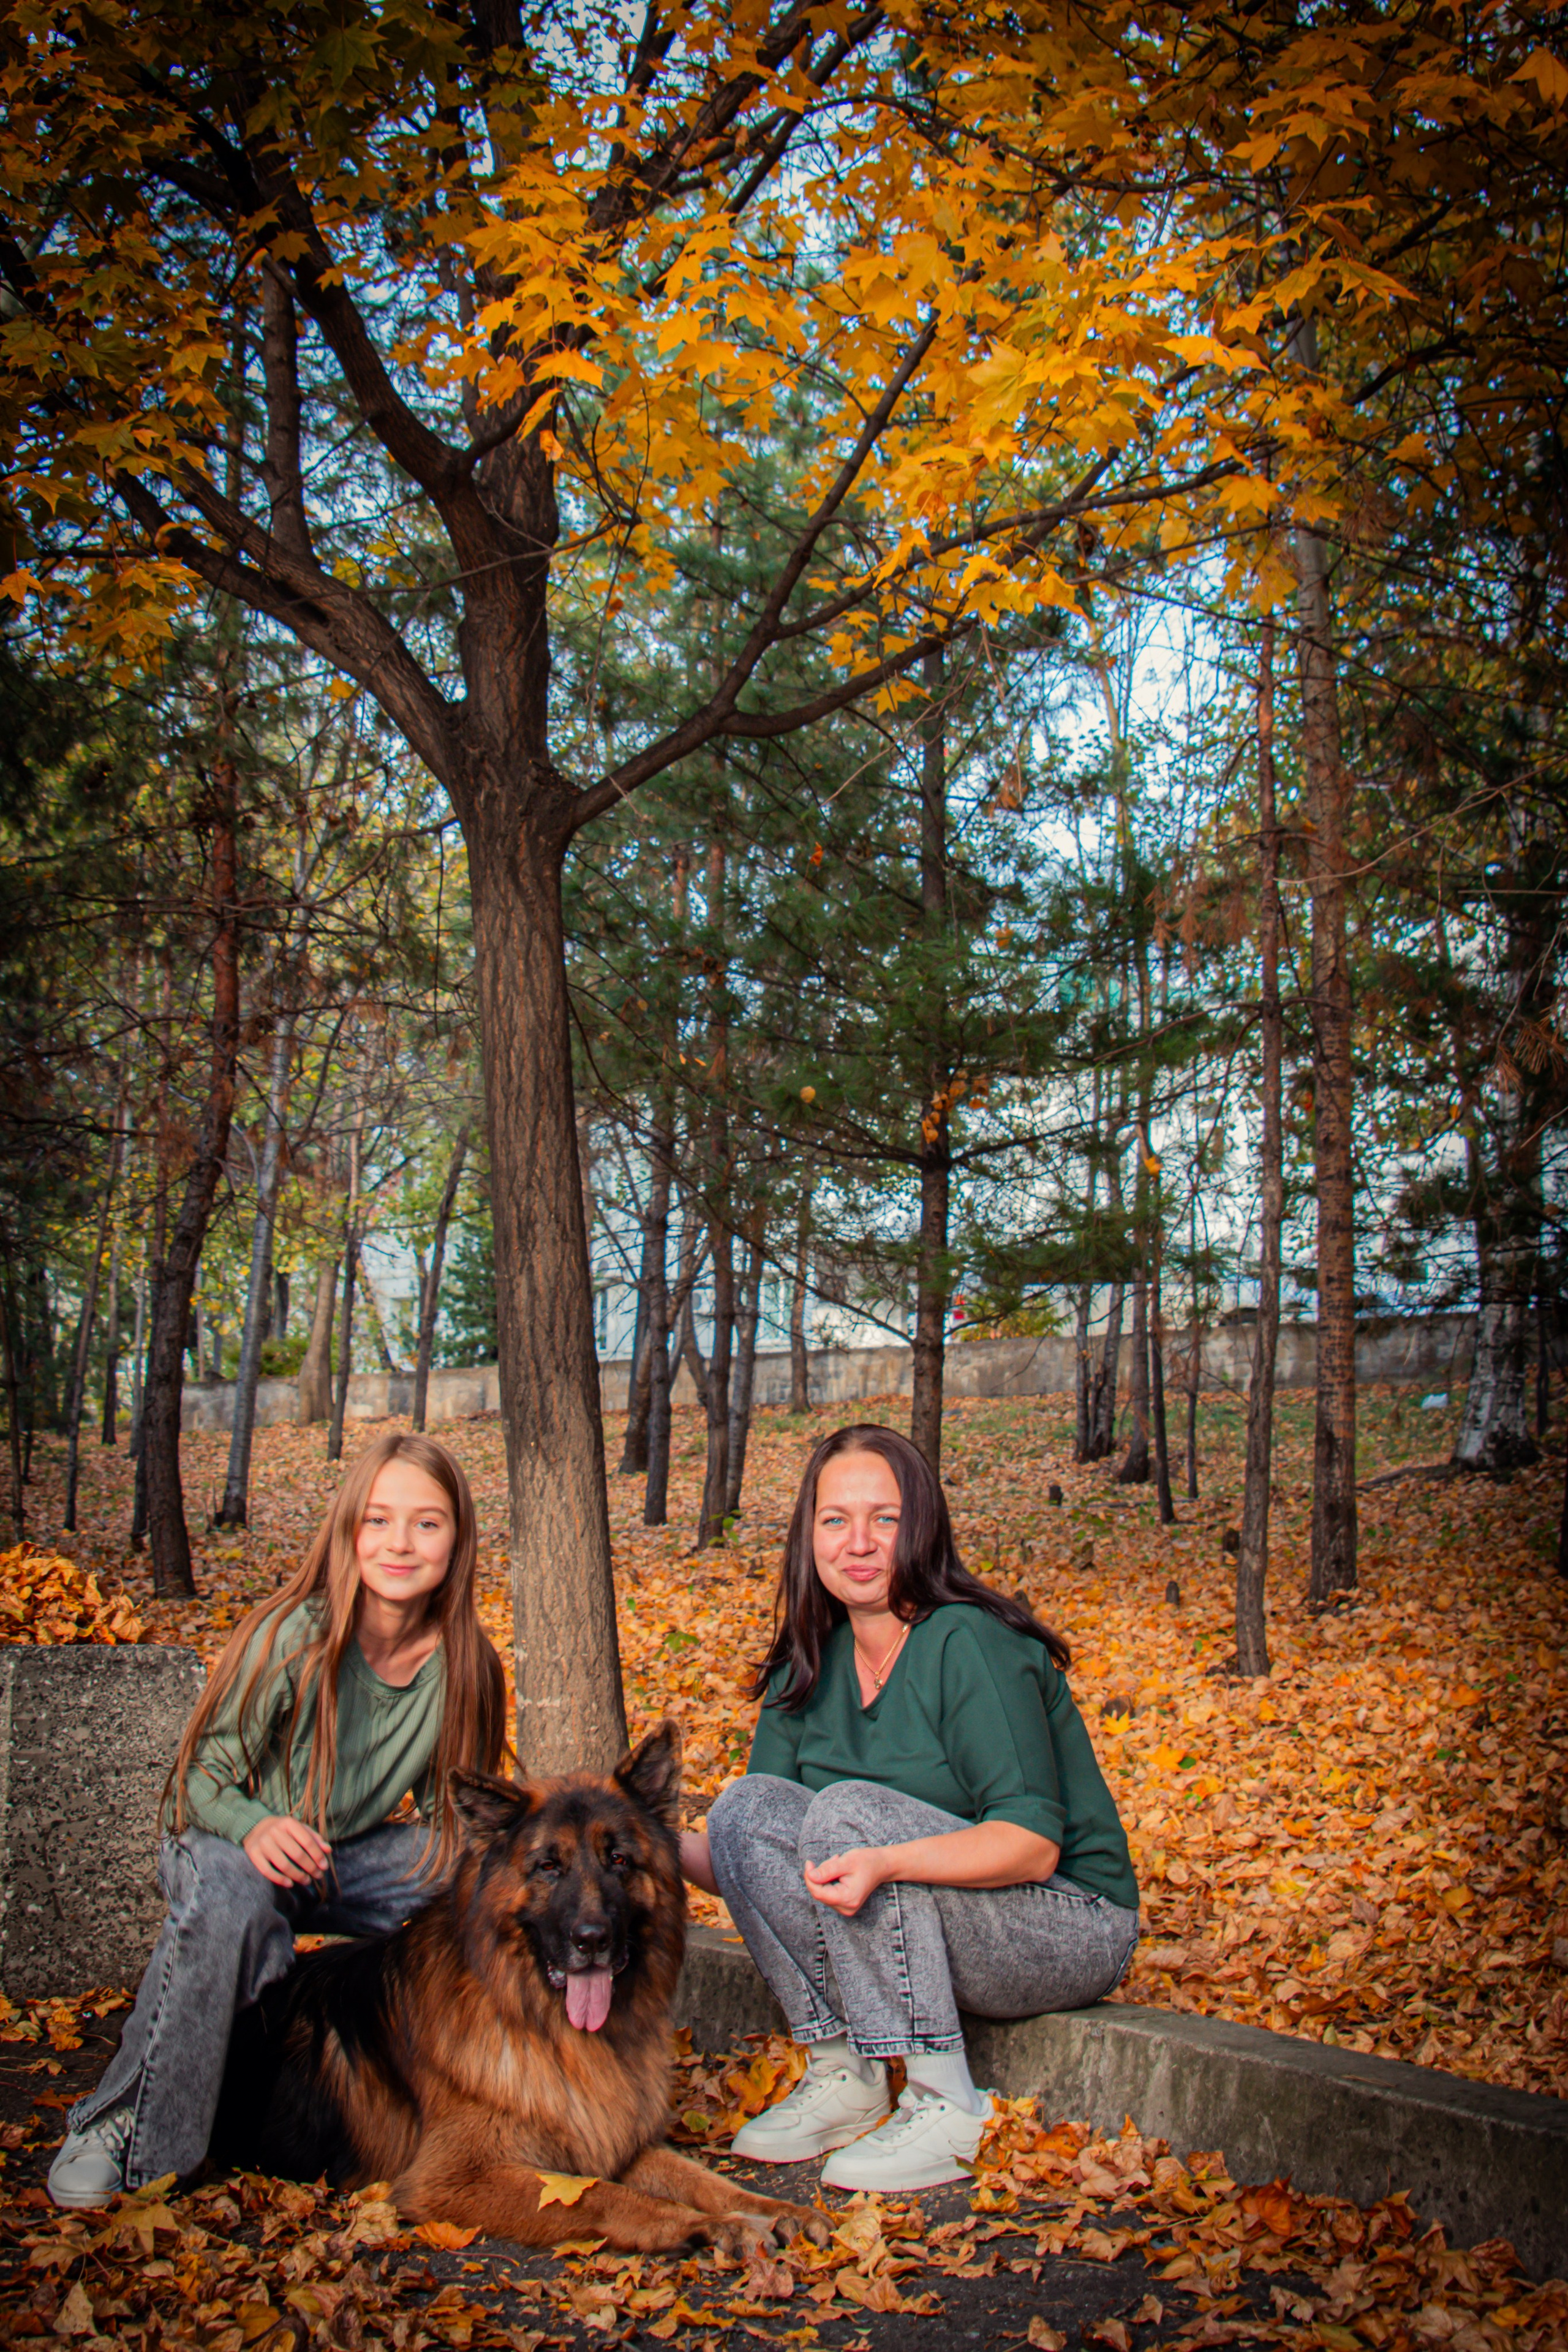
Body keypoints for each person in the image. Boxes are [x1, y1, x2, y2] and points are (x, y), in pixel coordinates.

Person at [48, 1430, 507, 2209]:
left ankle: (472, 2098)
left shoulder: (466, 1663)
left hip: (346, 1856)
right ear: (347, 1530)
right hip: (229, 1841)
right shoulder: (296, 1634)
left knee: (475, 1893)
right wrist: (256, 1826)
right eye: (377, 1520)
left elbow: (451, 1815)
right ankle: (126, 2130)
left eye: (427, 1523)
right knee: (232, 1904)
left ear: (457, 1539)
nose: (400, 1542)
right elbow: (196, 1783)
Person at [681, 1424, 1139, 2193]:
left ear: (921, 1526)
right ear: (808, 1533)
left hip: (1064, 1924)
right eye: (835, 1520)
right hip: (930, 1919)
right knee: (743, 1809)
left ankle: (945, 2102)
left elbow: (1031, 1845)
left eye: (884, 1519)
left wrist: (886, 1860)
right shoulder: (809, 1657)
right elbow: (756, 1857)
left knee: (846, 1814)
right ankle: (846, 2076)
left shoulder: (967, 1640)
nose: (858, 1542)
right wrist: (640, 1847)